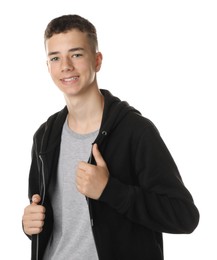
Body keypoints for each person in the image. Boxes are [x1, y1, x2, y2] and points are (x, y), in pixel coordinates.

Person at [22, 14, 199, 260]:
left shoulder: (135, 131)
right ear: (48, 66)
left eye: (76, 54)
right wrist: (30, 225)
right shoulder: (44, 136)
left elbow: (184, 216)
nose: (65, 66)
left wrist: (110, 190)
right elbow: (53, 219)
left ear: (97, 60)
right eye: (55, 58)